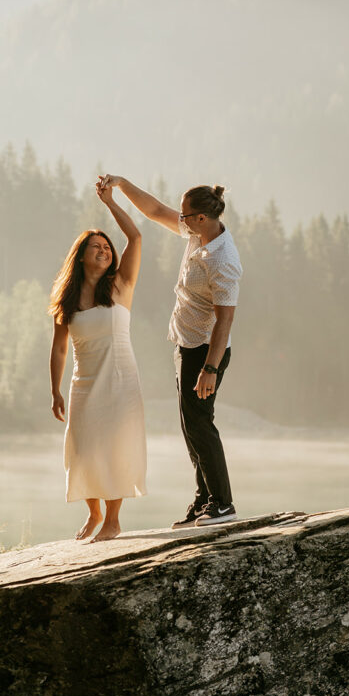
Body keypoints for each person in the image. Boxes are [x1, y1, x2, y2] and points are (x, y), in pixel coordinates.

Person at [98, 176, 242, 528]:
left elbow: (224, 321)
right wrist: (119, 185)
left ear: (202, 219)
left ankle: (223, 504)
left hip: (206, 350)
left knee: (201, 425)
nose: (179, 217)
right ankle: (204, 498)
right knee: (189, 426)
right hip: (186, 343)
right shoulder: (197, 233)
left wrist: (210, 369)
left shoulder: (223, 259)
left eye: (185, 214)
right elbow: (155, 210)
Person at [48, 180, 147, 542]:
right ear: (81, 255)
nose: (104, 251)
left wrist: (110, 202)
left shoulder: (121, 286)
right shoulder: (68, 301)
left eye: (107, 247)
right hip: (84, 382)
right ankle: (93, 513)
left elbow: (135, 238)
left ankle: (113, 519)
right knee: (84, 448)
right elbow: (59, 348)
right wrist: (55, 391)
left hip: (122, 379)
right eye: (96, 247)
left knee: (116, 446)